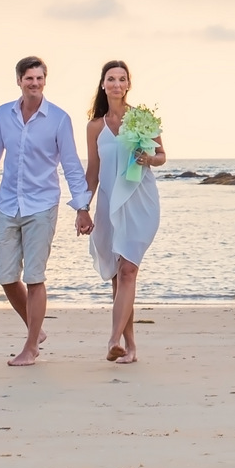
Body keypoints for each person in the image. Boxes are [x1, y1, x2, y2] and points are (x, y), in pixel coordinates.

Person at [0, 56, 93, 366]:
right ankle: (36, 330)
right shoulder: (4, 114)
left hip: (42, 205)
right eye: (28, 79)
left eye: (39, 78)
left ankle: (31, 346)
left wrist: (82, 206)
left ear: (45, 81)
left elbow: (72, 165)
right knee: (7, 276)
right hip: (9, 203)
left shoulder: (59, 119)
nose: (34, 84)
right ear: (19, 81)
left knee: (34, 278)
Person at [84, 59, 163, 364]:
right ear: (103, 84)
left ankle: (112, 340)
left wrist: (148, 159)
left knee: (129, 270)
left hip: (140, 200)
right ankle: (129, 347)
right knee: (119, 277)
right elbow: (93, 171)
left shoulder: (142, 118)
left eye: (122, 79)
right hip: (108, 202)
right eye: (111, 79)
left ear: (129, 84)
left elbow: (162, 155)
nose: (116, 84)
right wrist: (83, 208)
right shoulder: (94, 127)